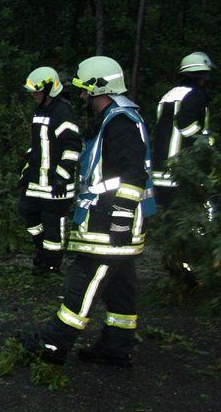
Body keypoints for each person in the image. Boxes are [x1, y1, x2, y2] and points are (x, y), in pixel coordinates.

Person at [19, 56, 156, 367]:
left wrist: (120, 220)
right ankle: (116, 345)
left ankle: (53, 342)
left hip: (109, 224)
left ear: (99, 88)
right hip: (110, 221)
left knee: (83, 281)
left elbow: (132, 176)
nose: (82, 96)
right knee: (119, 289)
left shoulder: (120, 123)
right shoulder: (116, 119)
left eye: (85, 90)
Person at [17, 66, 82, 274]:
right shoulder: (40, 110)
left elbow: (72, 146)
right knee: (28, 213)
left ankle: (52, 262)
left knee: (53, 224)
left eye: (36, 91)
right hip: (37, 181)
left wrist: (62, 177)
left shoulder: (62, 111)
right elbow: (37, 145)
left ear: (48, 89)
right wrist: (26, 170)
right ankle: (42, 252)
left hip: (56, 184)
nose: (33, 95)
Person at [151, 51, 214, 209]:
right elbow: (185, 124)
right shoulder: (195, 95)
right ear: (202, 75)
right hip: (182, 171)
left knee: (164, 215)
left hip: (160, 170)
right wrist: (205, 141)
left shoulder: (169, 95)